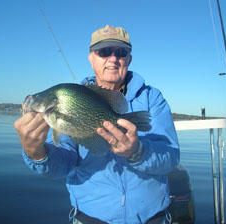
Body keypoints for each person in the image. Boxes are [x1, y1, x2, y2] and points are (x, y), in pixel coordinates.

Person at [14, 25, 180, 224]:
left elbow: (171, 156)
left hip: (152, 219)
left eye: (121, 52)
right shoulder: (72, 99)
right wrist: (36, 152)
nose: (113, 58)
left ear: (129, 59)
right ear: (91, 58)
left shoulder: (152, 98)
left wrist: (137, 152)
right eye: (103, 52)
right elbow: (62, 164)